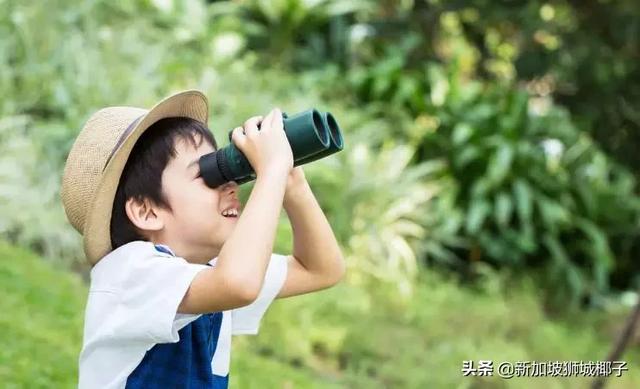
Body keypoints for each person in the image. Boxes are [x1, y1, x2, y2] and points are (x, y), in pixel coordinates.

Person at [60, 90, 345, 388]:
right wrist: (271, 171)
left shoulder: (211, 270)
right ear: (146, 211)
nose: (231, 183)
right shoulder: (130, 272)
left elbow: (320, 269)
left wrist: (292, 182)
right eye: (208, 174)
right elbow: (239, 284)